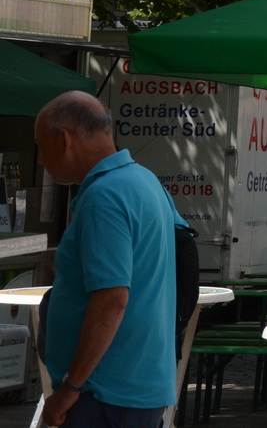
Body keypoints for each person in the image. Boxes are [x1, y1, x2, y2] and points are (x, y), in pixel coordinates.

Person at [34, 92, 178, 427]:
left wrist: (71, 387)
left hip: (104, 394)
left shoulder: (105, 196)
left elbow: (112, 298)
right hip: (135, 385)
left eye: (42, 145)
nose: (40, 159)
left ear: (65, 140)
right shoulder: (144, 180)